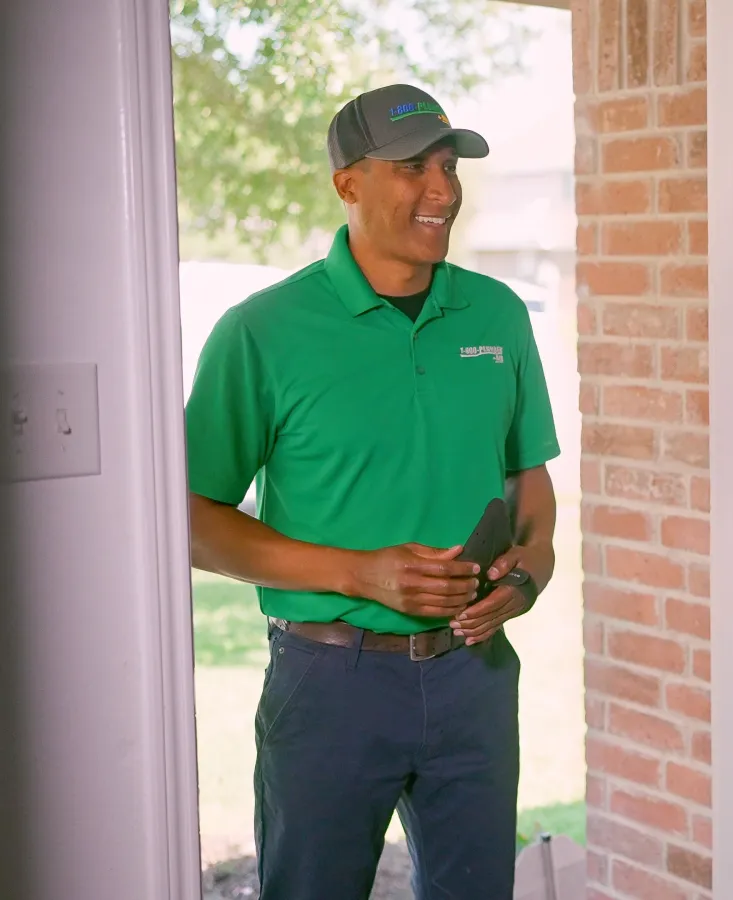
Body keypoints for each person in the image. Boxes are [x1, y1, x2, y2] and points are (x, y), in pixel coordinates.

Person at [184, 84, 560, 900]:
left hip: (475, 677)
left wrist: (528, 572)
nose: (443, 188)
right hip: (329, 686)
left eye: (448, 163)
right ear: (346, 183)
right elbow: (188, 522)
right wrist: (359, 573)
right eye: (411, 167)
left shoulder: (496, 314)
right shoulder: (261, 332)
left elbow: (528, 481)